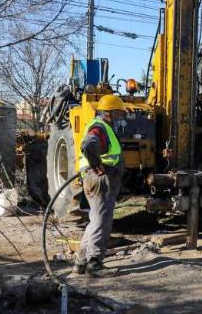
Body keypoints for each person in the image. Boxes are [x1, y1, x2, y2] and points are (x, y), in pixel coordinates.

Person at [72, 94, 126, 277]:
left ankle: (81, 262)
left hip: (95, 179)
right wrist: (96, 165)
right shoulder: (99, 127)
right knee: (102, 221)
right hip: (100, 179)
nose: (120, 118)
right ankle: (95, 265)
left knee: (95, 220)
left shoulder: (103, 127)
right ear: (108, 113)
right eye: (118, 114)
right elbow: (88, 144)